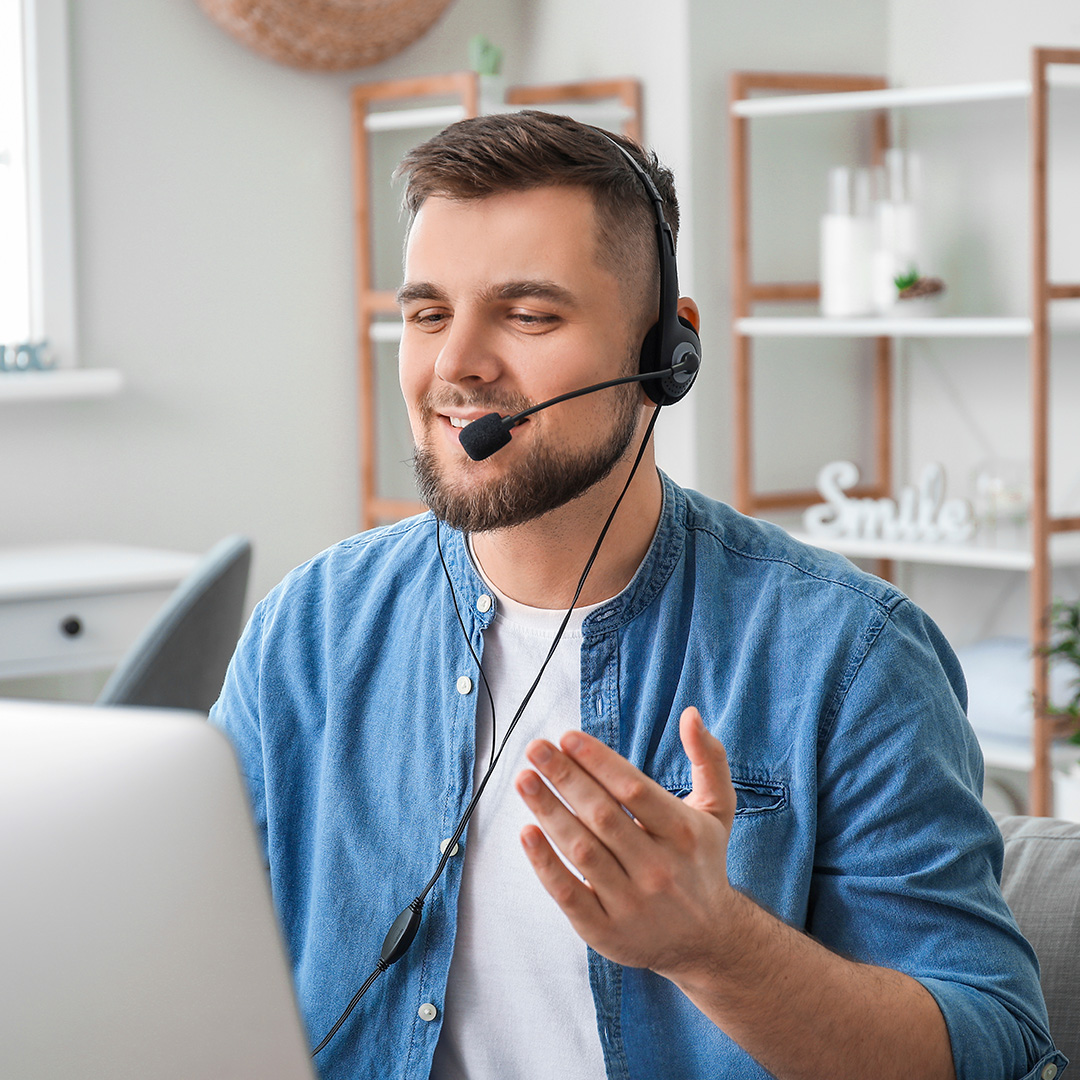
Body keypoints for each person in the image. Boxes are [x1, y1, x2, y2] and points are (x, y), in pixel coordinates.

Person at [210, 111, 1064, 1080]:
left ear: (668, 354)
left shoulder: (848, 659)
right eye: (428, 314)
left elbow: (996, 1052)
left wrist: (717, 945)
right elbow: (186, 967)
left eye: (528, 315)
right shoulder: (309, 633)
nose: (455, 367)